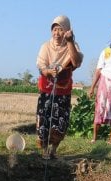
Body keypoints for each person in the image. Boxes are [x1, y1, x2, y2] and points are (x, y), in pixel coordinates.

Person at [36, 15, 83, 159]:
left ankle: (53, 150)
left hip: (63, 90)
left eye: (60, 30)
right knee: (44, 119)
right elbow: (41, 66)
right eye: (54, 29)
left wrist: (69, 42)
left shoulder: (72, 45)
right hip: (47, 89)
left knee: (60, 121)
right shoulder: (45, 46)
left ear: (67, 31)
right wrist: (48, 71)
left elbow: (75, 62)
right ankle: (44, 150)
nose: (57, 33)